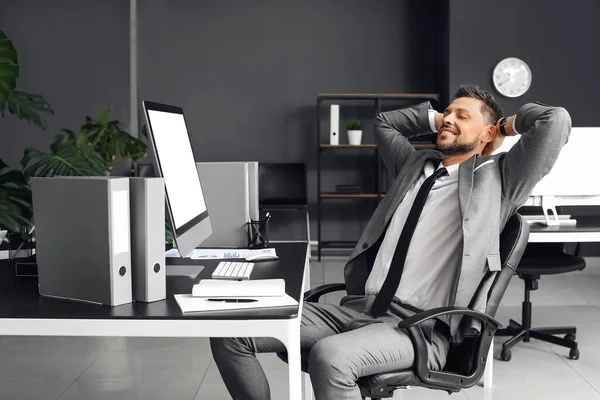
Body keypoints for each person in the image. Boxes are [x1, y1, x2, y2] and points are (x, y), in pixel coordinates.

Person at [210, 84, 571, 400]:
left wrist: (505, 126)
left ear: (486, 132)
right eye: (446, 112)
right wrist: (437, 119)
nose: (448, 118)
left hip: (419, 328)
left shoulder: (501, 180)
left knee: (330, 357)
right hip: (358, 309)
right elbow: (384, 123)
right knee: (233, 332)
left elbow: (555, 122)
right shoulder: (413, 166)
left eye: (462, 115)